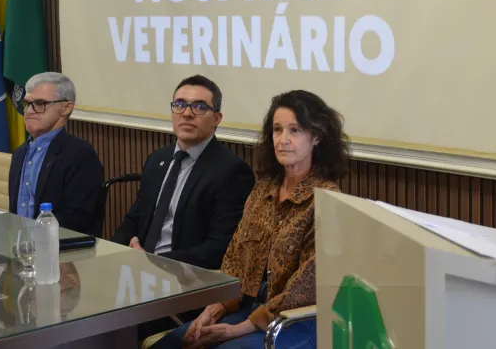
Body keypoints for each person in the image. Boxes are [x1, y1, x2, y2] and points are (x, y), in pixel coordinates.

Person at [150, 90, 350, 349]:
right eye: (277, 130)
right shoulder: (262, 191)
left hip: (291, 321)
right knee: (173, 344)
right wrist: (213, 310)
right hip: (245, 307)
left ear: (317, 137)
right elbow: (235, 258)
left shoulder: (327, 201)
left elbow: (304, 290)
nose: (283, 140)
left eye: (295, 130)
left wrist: (235, 330)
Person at [111, 75, 254, 270]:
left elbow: (219, 248)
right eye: (179, 105)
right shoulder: (157, 159)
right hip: (137, 269)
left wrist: (153, 262)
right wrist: (113, 254)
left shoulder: (231, 172)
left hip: (185, 276)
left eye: (199, 107)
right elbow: (133, 220)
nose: (186, 114)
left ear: (216, 119)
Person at [8, 72, 104, 235]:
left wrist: (35, 236)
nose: (29, 111)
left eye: (40, 104)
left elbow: (78, 218)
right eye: (27, 104)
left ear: (66, 108)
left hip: (59, 245)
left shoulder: (80, 155)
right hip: (20, 244)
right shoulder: (20, 153)